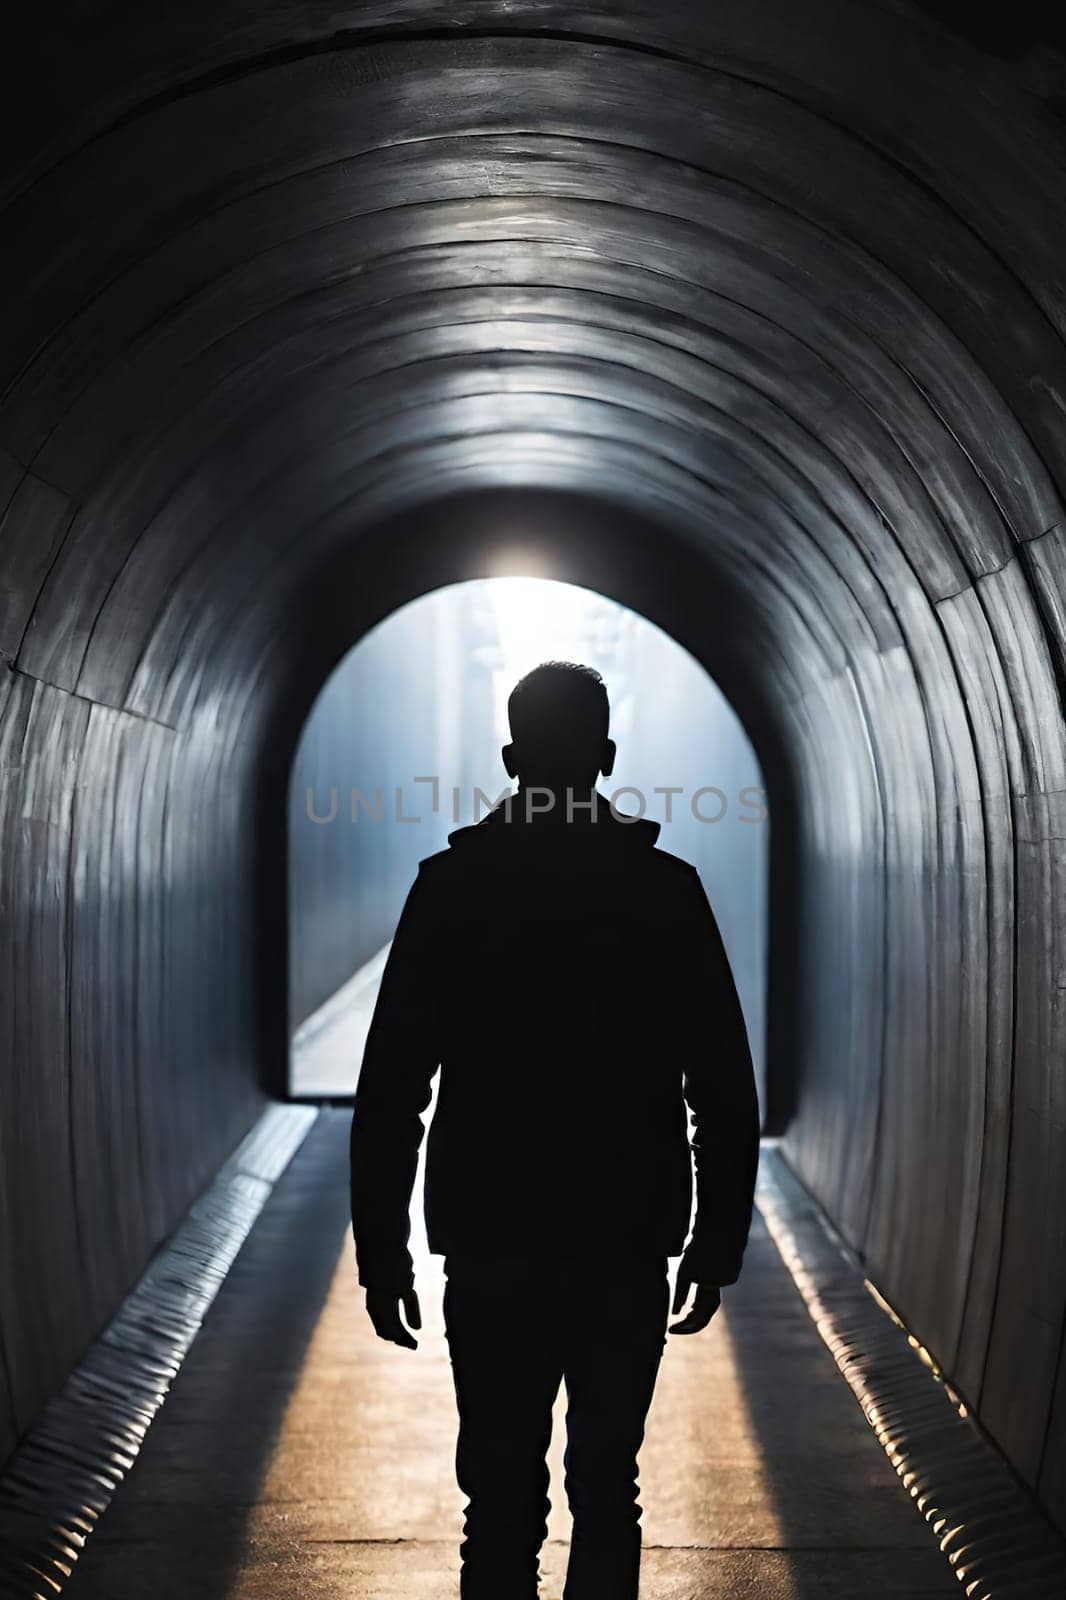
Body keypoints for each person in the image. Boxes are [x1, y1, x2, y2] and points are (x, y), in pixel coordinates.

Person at [350, 661, 760, 1600]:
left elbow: (392, 1089)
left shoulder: (450, 889)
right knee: (608, 1491)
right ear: (608, 758)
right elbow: (722, 1085)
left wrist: (384, 1252)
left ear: (509, 757)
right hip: (624, 1241)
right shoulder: (666, 891)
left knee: (498, 1501)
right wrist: (715, 1243)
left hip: (491, 1243)